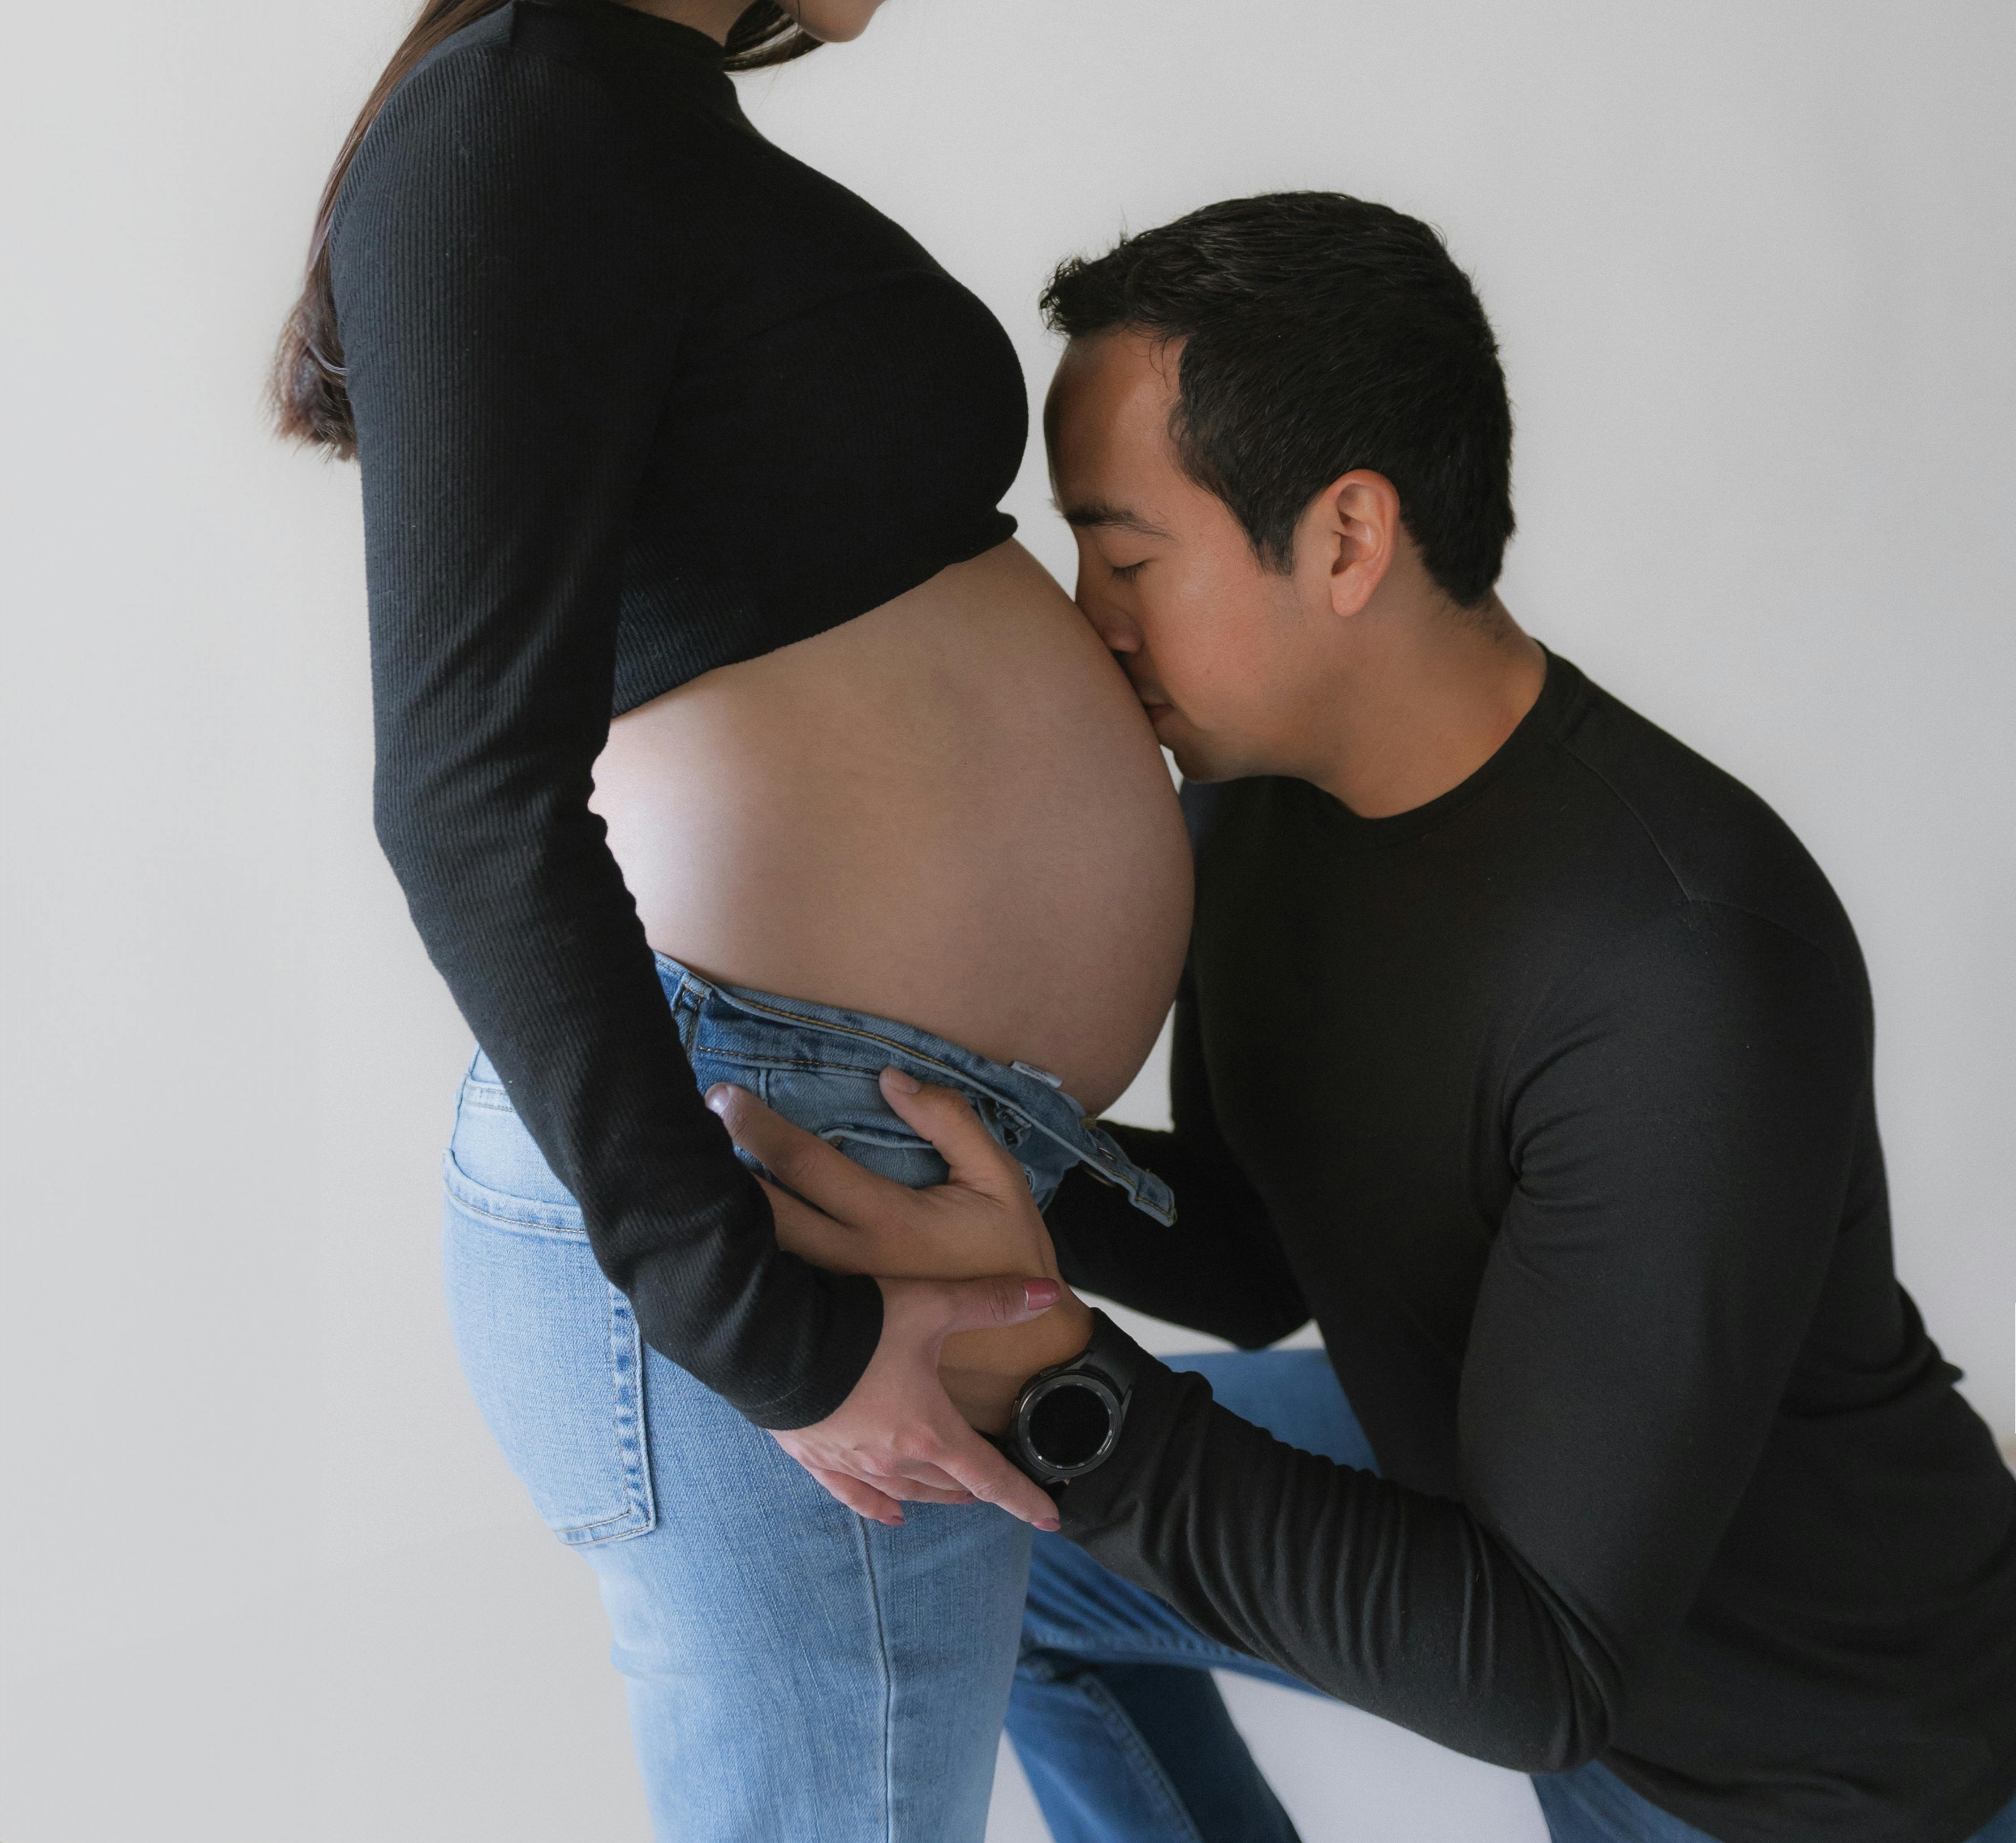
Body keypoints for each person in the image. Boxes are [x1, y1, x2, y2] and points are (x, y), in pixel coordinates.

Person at [270, 0, 1194, 1843]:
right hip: (757, 1201)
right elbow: (461, 791)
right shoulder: (510, 138)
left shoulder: (626, 134)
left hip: (867, 1168)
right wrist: (762, 1328)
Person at [715, 190, 2016, 1843]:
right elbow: (1269, 1256)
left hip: (1811, 1770)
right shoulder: (1250, 812)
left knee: (1037, 1464)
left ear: (1344, 537)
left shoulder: (1683, 965)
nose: (1082, 614)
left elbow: (1537, 1669)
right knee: (977, 1533)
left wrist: (1071, 1393)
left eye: (1122, 553)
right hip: (1503, 1533)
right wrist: (971, 1173)